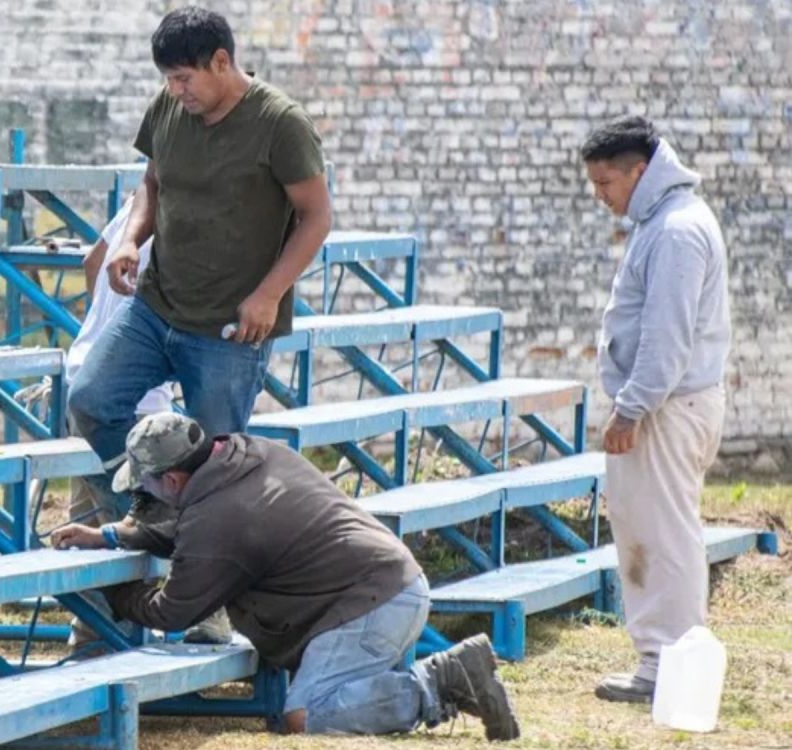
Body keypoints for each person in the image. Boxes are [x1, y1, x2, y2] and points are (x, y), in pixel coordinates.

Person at [53, 413, 521, 740]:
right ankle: (442, 680)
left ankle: (443, 682)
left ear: (173, 480)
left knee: (306, 714)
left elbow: (174, 609)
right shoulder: (249, 455)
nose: (143, 494)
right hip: (386, 588)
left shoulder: (220, 519)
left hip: (367, 607)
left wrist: (115, 593)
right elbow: (193, 537)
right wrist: (112, 537)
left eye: (147, 484)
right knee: (320, 701)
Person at [66, 4, 332, 519]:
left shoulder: (280, 123)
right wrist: (128, 240)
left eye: (184, 78)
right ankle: (151, 511)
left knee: (219, 462)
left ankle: (210, 571)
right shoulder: (168, 110)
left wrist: (269, 294)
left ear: (221, 61)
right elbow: (152, 184)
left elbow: (316, 218)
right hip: (155, 307)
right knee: (91, 400)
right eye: (168, 79)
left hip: (228, 329)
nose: (175, 90)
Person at [581, 115, 731, 703]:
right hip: (666, 405)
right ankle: (664, 661)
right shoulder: (664, 221)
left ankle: (665, 665)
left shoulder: (675, 230)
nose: (599, 197)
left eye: (604, 184)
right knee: (657, 530)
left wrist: (631, 408)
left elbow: (666, 337)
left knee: (661, 536)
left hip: (665, 409)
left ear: (638, 172)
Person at [65, 194, 175, 528]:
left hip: (82, 371)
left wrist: (103, 328)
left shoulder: (136, 205)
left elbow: (92, 261)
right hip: (136, 399)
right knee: (135, 530)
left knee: (84, 522)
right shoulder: (182, 213)